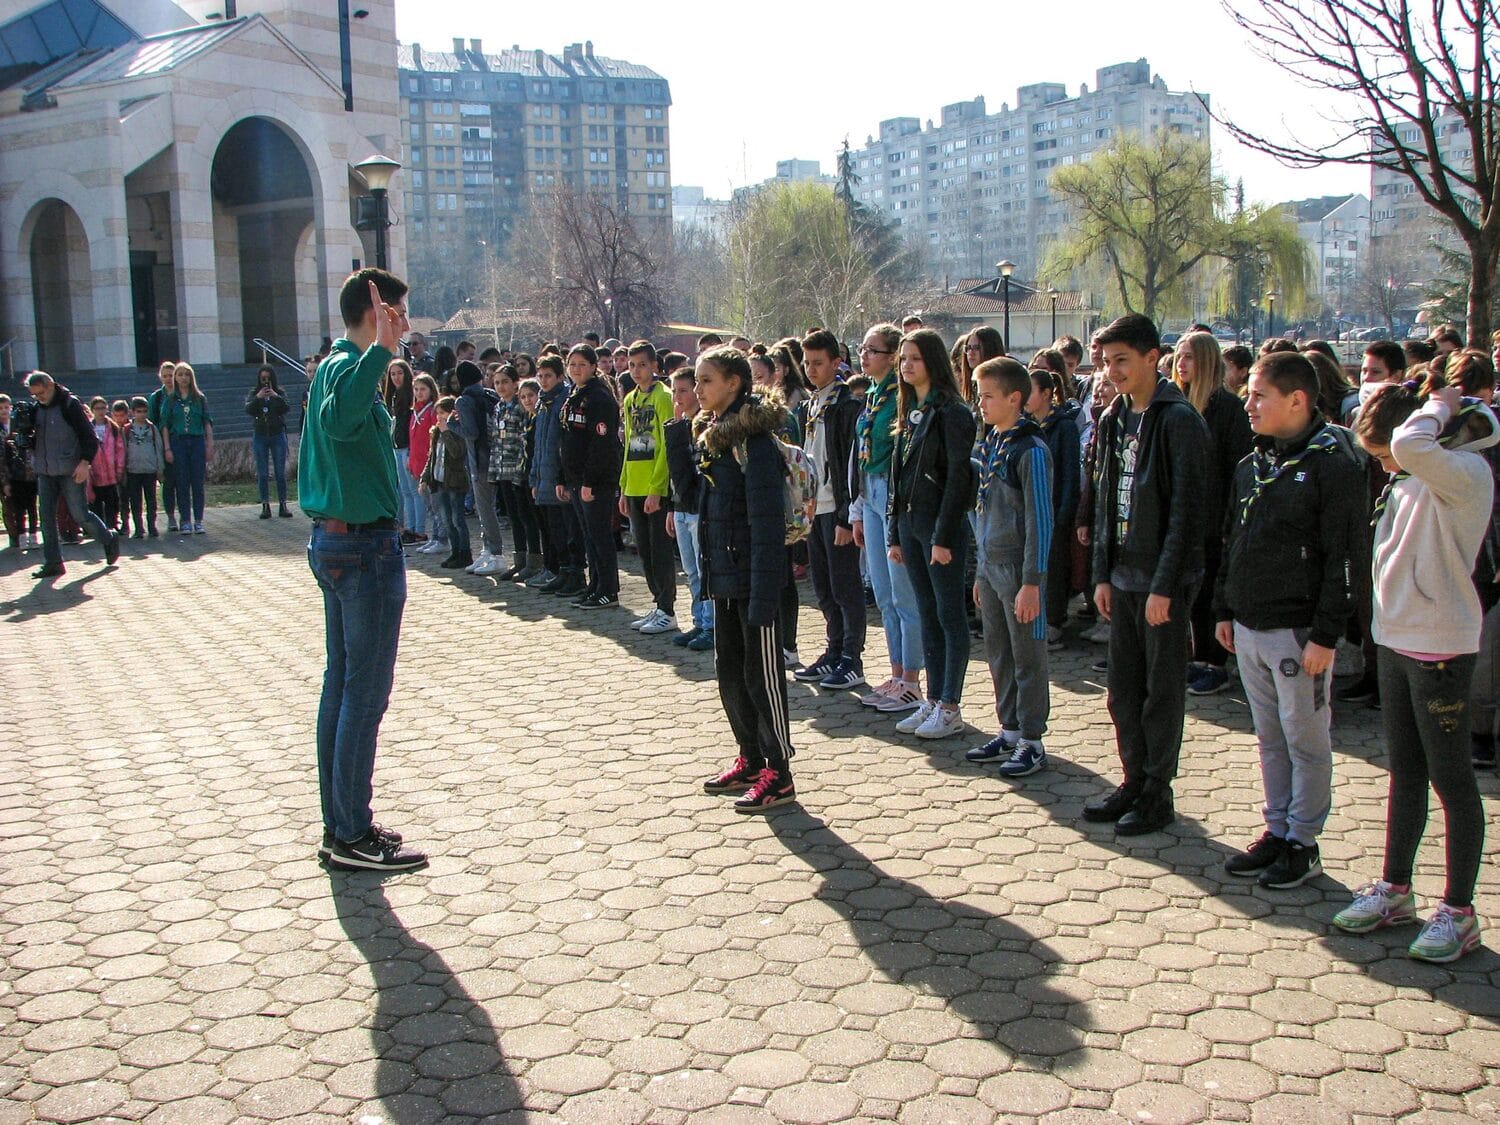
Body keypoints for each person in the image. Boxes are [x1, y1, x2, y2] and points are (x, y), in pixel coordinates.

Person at [1331, 381, 1494, 962]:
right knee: (1405, 772)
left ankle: (1459, 911)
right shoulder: (1408, 476)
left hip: (1441, 646)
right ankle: (1395, 890)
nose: (1384, 464)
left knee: (1452, 780)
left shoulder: (1463, 475)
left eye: (1384, 455)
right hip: (1397, 640)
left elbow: (1411, 442)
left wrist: (1443, 403)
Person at [1214, 352, 1366, 889]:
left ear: (1297, 400)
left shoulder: (1333, 464)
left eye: (1259, 395)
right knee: (1270, 736)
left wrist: (1327, 634)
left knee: (1305, 738)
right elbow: (1233, 538)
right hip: (1251, 623)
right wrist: (1225, 607)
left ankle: (1303, 841)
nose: (1247, 404)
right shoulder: (1253, 462)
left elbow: (1345, 558)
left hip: (1299, 633)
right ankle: (1277, 830)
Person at [299, 268, 427, 872]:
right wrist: (380, 350)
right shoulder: (348, 365)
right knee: (362, 695)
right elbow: (341, 420)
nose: (405, 325)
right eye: (398, 313)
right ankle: (350, 831)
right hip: (362, 551)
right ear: (377, 312)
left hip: (347, 546)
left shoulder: (343, 366)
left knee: (344, 690)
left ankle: (341, 825)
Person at [1085, 314, 1210, 836]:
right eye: (1107, 362)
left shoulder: (1178, 419)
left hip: (1162, 583)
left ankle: (1158, 788)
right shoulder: (1114, 417)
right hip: (1123, 574)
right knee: (1122, 690)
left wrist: (1165, 584)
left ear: (1152, 357)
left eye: (1122, 361)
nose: (1113, 372)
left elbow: (1187, 511)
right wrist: (1101, 574)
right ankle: (1133, 778)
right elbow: (1101, 500)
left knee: (1161, 691)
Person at [665, 346, 798, 812]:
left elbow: (765, 525)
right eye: (695, 382)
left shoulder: (754, 442)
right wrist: (678, 434)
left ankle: (779, 772)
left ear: (734, 385)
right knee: (731, 674)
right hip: (723, 575)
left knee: (762, 678)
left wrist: (765, 595)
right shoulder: (712, 436)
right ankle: (750, 755)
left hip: (753, 579)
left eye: (705, 381)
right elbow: (689, 498)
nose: (695, 390)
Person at [887, 328, 978, 739]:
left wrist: (942, 536)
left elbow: (959, 479)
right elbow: (899, 476)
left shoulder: (952, 412)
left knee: (948, 615)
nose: (906, 365)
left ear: (934, 363)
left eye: (915, 359)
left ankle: (950, 704)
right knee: (926, 615)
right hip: (910, 524)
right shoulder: (908, 409)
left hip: (941, 528)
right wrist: (893, 533)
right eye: (903, 358)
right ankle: (933, 699)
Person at [967, 358, 1054, 776]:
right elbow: (982, 513)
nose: (980, 403)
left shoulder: (1031, 450)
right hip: (992, 568)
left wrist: (1032, 582)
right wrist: (980, 571)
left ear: (1014, 398)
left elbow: (1041, 520)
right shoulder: (990, 444)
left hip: (1021, 574)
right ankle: (1010, 729)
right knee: (998, 654)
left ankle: (1033, 739)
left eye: (987, 396)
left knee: (1027, 657)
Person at [851, 323, 925, 714]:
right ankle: (896, 674)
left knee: (903, 593)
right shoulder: (873, 395)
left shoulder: (903, 398)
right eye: (862, 348)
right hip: (871, 491)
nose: (864, 356)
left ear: (893, 356)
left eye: (873, 350)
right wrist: (859, 509)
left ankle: (912, 679)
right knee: (882, 593)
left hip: (894, 494)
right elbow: (860, 455)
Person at [1174, 332, 1253, 697]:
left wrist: (1228, 520)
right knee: (1192, 593)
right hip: (1185, 516)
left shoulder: (1229, 408)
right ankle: (1197, 656)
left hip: (1216, 516)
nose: (1181, 363)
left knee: (1212, 593)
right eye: (1178, 355)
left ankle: (1216, 664)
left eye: (1189, 356)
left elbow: (1237, 467)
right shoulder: (1179, 403)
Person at [794, 329, 866, 690]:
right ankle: (833, 649)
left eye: (818, 363)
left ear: (837, 363)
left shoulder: (846, 406)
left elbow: (850, 466)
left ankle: (853, 656)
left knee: (845, 586)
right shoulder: (810, 403)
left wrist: (844, 515)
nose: (811, 369)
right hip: (813, 509)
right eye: (806, 363)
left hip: (835, 507)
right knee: (822, 586)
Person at [17, 372, 120, 579]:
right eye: (34, 395)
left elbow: (89, 437)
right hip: (45, 471)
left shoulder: (70, 405)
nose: (39, 398)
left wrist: (85, 463)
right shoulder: (36, 408)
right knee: (46, 517)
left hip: (71, 470)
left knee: (80, 514)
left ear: (50, 385)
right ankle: (53, 562)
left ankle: (108, 539)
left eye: (41, 393)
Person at [619, 340, 678, 633]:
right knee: (643, 549)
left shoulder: (663, 397)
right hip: (634, 483)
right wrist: (624, 486)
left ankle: (668, 608)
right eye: (631, 365)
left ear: (655, 366)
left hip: (656, 486)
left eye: (642, 364)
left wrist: (657, 487)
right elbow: (629, 442)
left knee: (659, 549)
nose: (636, 371)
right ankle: (657, 604)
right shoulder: (629, 400)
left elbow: (666, 445)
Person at [559, 344, 623, 609]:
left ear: (594, 366)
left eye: (582, 364)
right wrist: (563, 478)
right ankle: (594, 585)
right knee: (588, 536)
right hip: (575, 479)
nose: (576, 369)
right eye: (572, 364)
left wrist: (589, 481)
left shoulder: (599, 397)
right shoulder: (575, 393)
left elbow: (601, 444)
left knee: (600, 536)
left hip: (594, 481)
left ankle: (608, 589)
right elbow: (567, 438)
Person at [1028, 364, 1081, 650]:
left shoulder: (1064, 427)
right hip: (1031, 511)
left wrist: (1063, 516)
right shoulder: (1024, 426)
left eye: (1031, 390)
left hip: (1056, 510)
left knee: (1056, 568)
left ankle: (1055, 621)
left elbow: (1070, 475)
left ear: (1047, 394)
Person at [665, 368, 716, 652]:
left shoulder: (705, 425)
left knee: (703, 568)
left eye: (684, 390)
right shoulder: (678, 424)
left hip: (699, 509)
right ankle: (699, 620)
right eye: (674, 391)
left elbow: (697, 473)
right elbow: (676, 473)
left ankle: (711, 625)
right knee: (691, 571)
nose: (679, 396)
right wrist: (672, 508)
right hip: (682, 507)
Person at [530, 355, 586, 596]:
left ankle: (575, 573)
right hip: (544, 476)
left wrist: (561, 478)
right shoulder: (543, 404)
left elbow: (563, 444)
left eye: (548, 376)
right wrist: (535, 478)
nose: (543, 381)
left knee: (568, 530)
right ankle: (562, 570)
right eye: (540, 376)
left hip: (560, 478)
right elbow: (538, 445)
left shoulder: (564, 400)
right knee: (554, 530)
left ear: (560, 377)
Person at [487, 366, 541, 581]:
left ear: (514, 383)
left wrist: (522, 469)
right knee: (514, 518)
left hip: (518, 471)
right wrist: (493, 472)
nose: (501, 386)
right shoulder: (498, 407)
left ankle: (535, 560)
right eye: (497, 382)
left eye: (505, 382)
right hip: (502, 470)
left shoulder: (520, 407)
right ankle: (519, 560)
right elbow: (495, 441)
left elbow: (523, 441)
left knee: (527, 517)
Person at [451, 360, 503, 575]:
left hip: (479, 461)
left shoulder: (464, 401)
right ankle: (486, 549)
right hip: (497, 457)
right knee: (487, 508)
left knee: (485, 509)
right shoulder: (490, 394)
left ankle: (495, 552)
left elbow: (470, 433)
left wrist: (451, 425)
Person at [420, 395, 472, 569]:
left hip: (455, 482)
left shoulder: (456, 431)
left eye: (443, 413)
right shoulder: (435, 432)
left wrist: (447, 431)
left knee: (458, 519)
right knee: (446, 519)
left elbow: (457, 453)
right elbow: (432, 457)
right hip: (439, 481)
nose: (440, 417)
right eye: (438, 414)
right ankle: (455, 552)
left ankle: (465, 553)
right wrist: (425, 478)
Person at [162, 362, 214, 535]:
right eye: (180, 374)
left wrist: (209, 445)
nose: (183, 378)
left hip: (197, 441)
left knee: (197, 483)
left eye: (186, 374)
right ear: (175, 377)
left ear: (191, 377)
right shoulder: (170, 400)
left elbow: (207, 422)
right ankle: (185, 520)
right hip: (178, 442)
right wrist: (167, 448)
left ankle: (198, 520)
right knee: (182, 482)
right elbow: (165, 426)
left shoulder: (199, 398)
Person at [246, 365, 293, 519]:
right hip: (260, 435)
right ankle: (265, 505)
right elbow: (248, 409)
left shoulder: (279, 392)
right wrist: (258, 398)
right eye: (263, 379)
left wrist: (275, 396)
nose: (266, 382)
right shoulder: (254, 393)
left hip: (277, 434)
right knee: (263, 473)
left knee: (280, 472)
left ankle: (283, 504)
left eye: (268, 379)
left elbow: (286, 407)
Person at [380, 360, 421, 538]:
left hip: (408, 447)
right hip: (396, 447)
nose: (396, 377)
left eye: (400, 373)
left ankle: (418, 530)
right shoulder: (392, 396)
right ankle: (406, 528)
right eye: (393, 374)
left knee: (414, 491)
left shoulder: (411, 395)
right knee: (403, 491)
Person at [408, 374, 447, 555]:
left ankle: (442, 538)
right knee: (428, 505)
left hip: (430, 464)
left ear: (431, 390)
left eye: (423, 389)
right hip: (416, 463)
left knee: (436, 504)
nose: (419, 393)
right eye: (416, 389)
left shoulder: (432, 411)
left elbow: (435, 439)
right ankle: (434, 537)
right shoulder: (415, 410)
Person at [1, 395, 40, 550]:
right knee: (13, 509)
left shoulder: (26, 430)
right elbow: (3, 459)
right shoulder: (8, 438)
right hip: (13, 477)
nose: (4, 411)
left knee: (31, 507)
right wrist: (5, 481)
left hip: (30, 477)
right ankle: (17, 535)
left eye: (6, 407)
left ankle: (32, 534)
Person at [122, 396, 165, 538]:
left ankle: (152, 525)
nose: (142, 414)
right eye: (139, 411)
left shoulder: (152, 429)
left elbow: (158, 448)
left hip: (149, 470)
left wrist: (160, 469)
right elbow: (123, 451)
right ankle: (139, 527)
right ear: (132, 412)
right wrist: (123, 471)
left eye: (145, 411)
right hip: (133, 470)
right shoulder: (127, 430)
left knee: (151, 500)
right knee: (135, 500)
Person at [146, 360, 179, 532]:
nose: (168, 379)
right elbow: (152, 422)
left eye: (171, 375)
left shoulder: (183, 394)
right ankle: (171, 516)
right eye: (164, 376)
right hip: (162, 443)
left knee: (182, 482)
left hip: (180, 441)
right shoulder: (156, 398)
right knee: (168, 482)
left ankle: (185, 516)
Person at [86, 396, 124, 531]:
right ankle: (99, 528)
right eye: (97, 408)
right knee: (95, 503)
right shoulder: (88, 428)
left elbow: (120, 450)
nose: (100, 411)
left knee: (112, 502)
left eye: (103, 408)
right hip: (94, 473)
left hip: (110, 473)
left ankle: (112, 525)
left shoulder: (113, 427)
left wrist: (119, 469)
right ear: (92, 410)